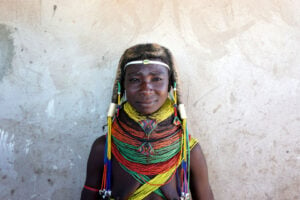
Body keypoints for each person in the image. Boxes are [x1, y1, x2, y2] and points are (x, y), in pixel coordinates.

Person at [81, 43, 214, 200]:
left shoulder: (188, 151)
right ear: (122, 86)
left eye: (156, 78)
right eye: (135, 79)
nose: (146, 88)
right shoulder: (104, 148)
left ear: (171, 85)